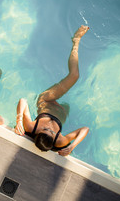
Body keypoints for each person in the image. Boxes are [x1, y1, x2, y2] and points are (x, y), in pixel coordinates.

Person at [14, 25, 90, 156]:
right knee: (70, 103)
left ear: (38, 132)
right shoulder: (60, 141)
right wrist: (72, 146)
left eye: (45, 129)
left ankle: (76, 41)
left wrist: (19, 119)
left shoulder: (31, 127)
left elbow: (23, 101)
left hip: (46, 101)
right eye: (52, 132)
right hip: (62, 111)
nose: (49, 127)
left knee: (74, 76)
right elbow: (85, 129)